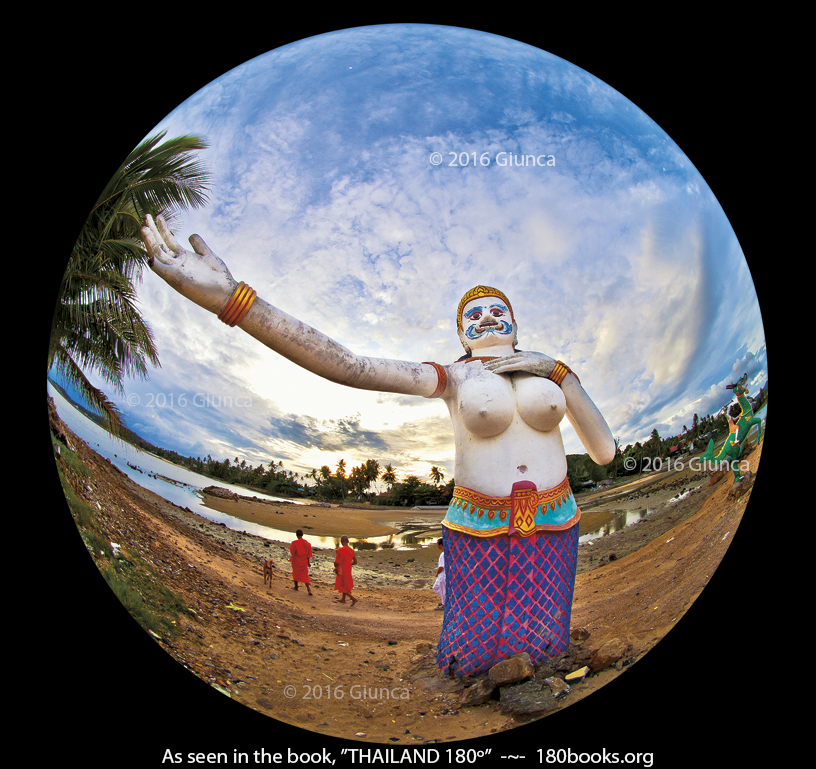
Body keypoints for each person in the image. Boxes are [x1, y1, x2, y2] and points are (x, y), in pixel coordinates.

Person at [140, 214, 615, 675]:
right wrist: (234, 301)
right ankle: (484, 683)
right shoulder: (454, 376)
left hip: (556, 517)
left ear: (515, 321)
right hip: (478, 523)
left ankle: (544, 672)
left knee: (546, 631)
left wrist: (558, 372)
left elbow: (605, 453)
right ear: (460, 334)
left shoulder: (549, 370)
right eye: (474, 315)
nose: (488, 318)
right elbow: (351, 366)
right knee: (474, 646)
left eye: (498, 311)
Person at [333, 535, 358, 605]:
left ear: (342, 541)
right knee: (346, 584)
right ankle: (343, 599)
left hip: (342, 570)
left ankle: (353, 599)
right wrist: (349, 564)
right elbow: (355, 562)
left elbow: (336, 562)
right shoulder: (351, 551)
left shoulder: (340, 550)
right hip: (348, 569)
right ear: (347, 541)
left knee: (341, 585)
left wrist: (336, 567)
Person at [289, 529, 313, 596]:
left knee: (295, 573)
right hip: (304, 561)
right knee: (305, 575)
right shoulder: (307, 543)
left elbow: (292, 552)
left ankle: (296, 587)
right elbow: (309, 554)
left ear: (296, 535)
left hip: (297, 561)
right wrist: (308, 563)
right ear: (302, 535)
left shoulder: (294, 543)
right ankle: (308, 589)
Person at [432, 537, 445, 609]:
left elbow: (441, 567)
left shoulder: (443, 554)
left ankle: (444, 604)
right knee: (436, 587)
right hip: (442, 575)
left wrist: (437, 573)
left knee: (443, 590)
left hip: (442, 575)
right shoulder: (444, 553)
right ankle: (444, 601)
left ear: (440, 545)